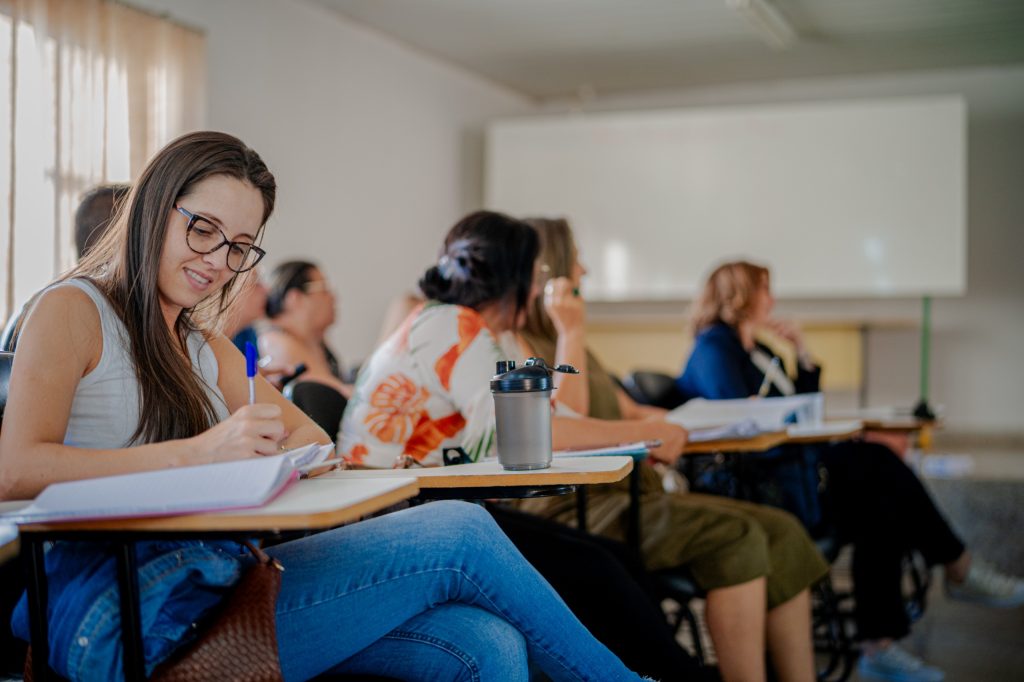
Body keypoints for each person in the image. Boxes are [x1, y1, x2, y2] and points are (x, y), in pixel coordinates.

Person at [0, 131, 645, 682]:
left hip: (217, 584)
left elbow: (312, 442)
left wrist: (263, 457)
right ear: (151, 207)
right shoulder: (73, 309)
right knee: (461, 530)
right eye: (203, 229)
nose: (218, 261)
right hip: (126, 613)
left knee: (484, 642)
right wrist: (201, 454)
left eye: (238, 246)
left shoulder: (203, 345)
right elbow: (16, 471)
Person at [340, 211, 827, 682]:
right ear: (517, 279)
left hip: (437, 509)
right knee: (599, 571)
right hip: (406, 519)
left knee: (610, 563)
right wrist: (644, 434)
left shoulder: (467, 329)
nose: (539, 289)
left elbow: (550, 419)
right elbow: (536, 430)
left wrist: (641, 429)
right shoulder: (453, 328)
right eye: (534, 277)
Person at [677, 260, 1024, 682]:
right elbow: (743, 424)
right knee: (879, 465)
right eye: (765, 289)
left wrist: (801, 351)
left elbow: (805, 406)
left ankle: (885, 641)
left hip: (797, 471)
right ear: (742, 294)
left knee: (881, 498)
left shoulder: (759, 351)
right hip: (766, 484)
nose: (772, 299)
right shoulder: (714, 348)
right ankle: (954, 570)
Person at [517, 217, 828, 682]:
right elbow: (567, 419)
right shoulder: (528, 343)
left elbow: (631, 408)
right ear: (553, 270)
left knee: (783, 530)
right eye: (577, 261)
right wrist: (573, 332)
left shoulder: (575, 346)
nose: (585, 272)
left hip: (631, 490)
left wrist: (680, 422)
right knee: (739, 535)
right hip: (579, 504)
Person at [260, 260, 352, 397]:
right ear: (294, 298)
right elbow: (337, 392)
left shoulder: (316, 342)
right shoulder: (274, 341)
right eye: (324, 289)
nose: (333, 297)